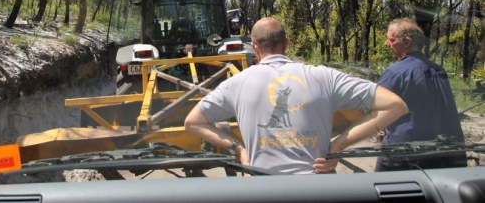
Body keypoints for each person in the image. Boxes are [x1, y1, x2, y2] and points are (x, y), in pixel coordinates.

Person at [184, 17, 408, 174]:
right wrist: (337, 145)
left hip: (264, 187)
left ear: (255, 47)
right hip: (316, 186)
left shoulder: (235, 84)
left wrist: (238, 149)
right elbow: (395, 105)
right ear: (287, 43)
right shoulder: (325, 77)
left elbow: (192, 122)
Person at [375, 18, 468, 171]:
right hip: (444, 154)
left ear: (406, 42)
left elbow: (371, 104)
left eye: (391, 39)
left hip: (403, 155)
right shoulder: (438, 70)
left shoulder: (396, 72)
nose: (386, 43)